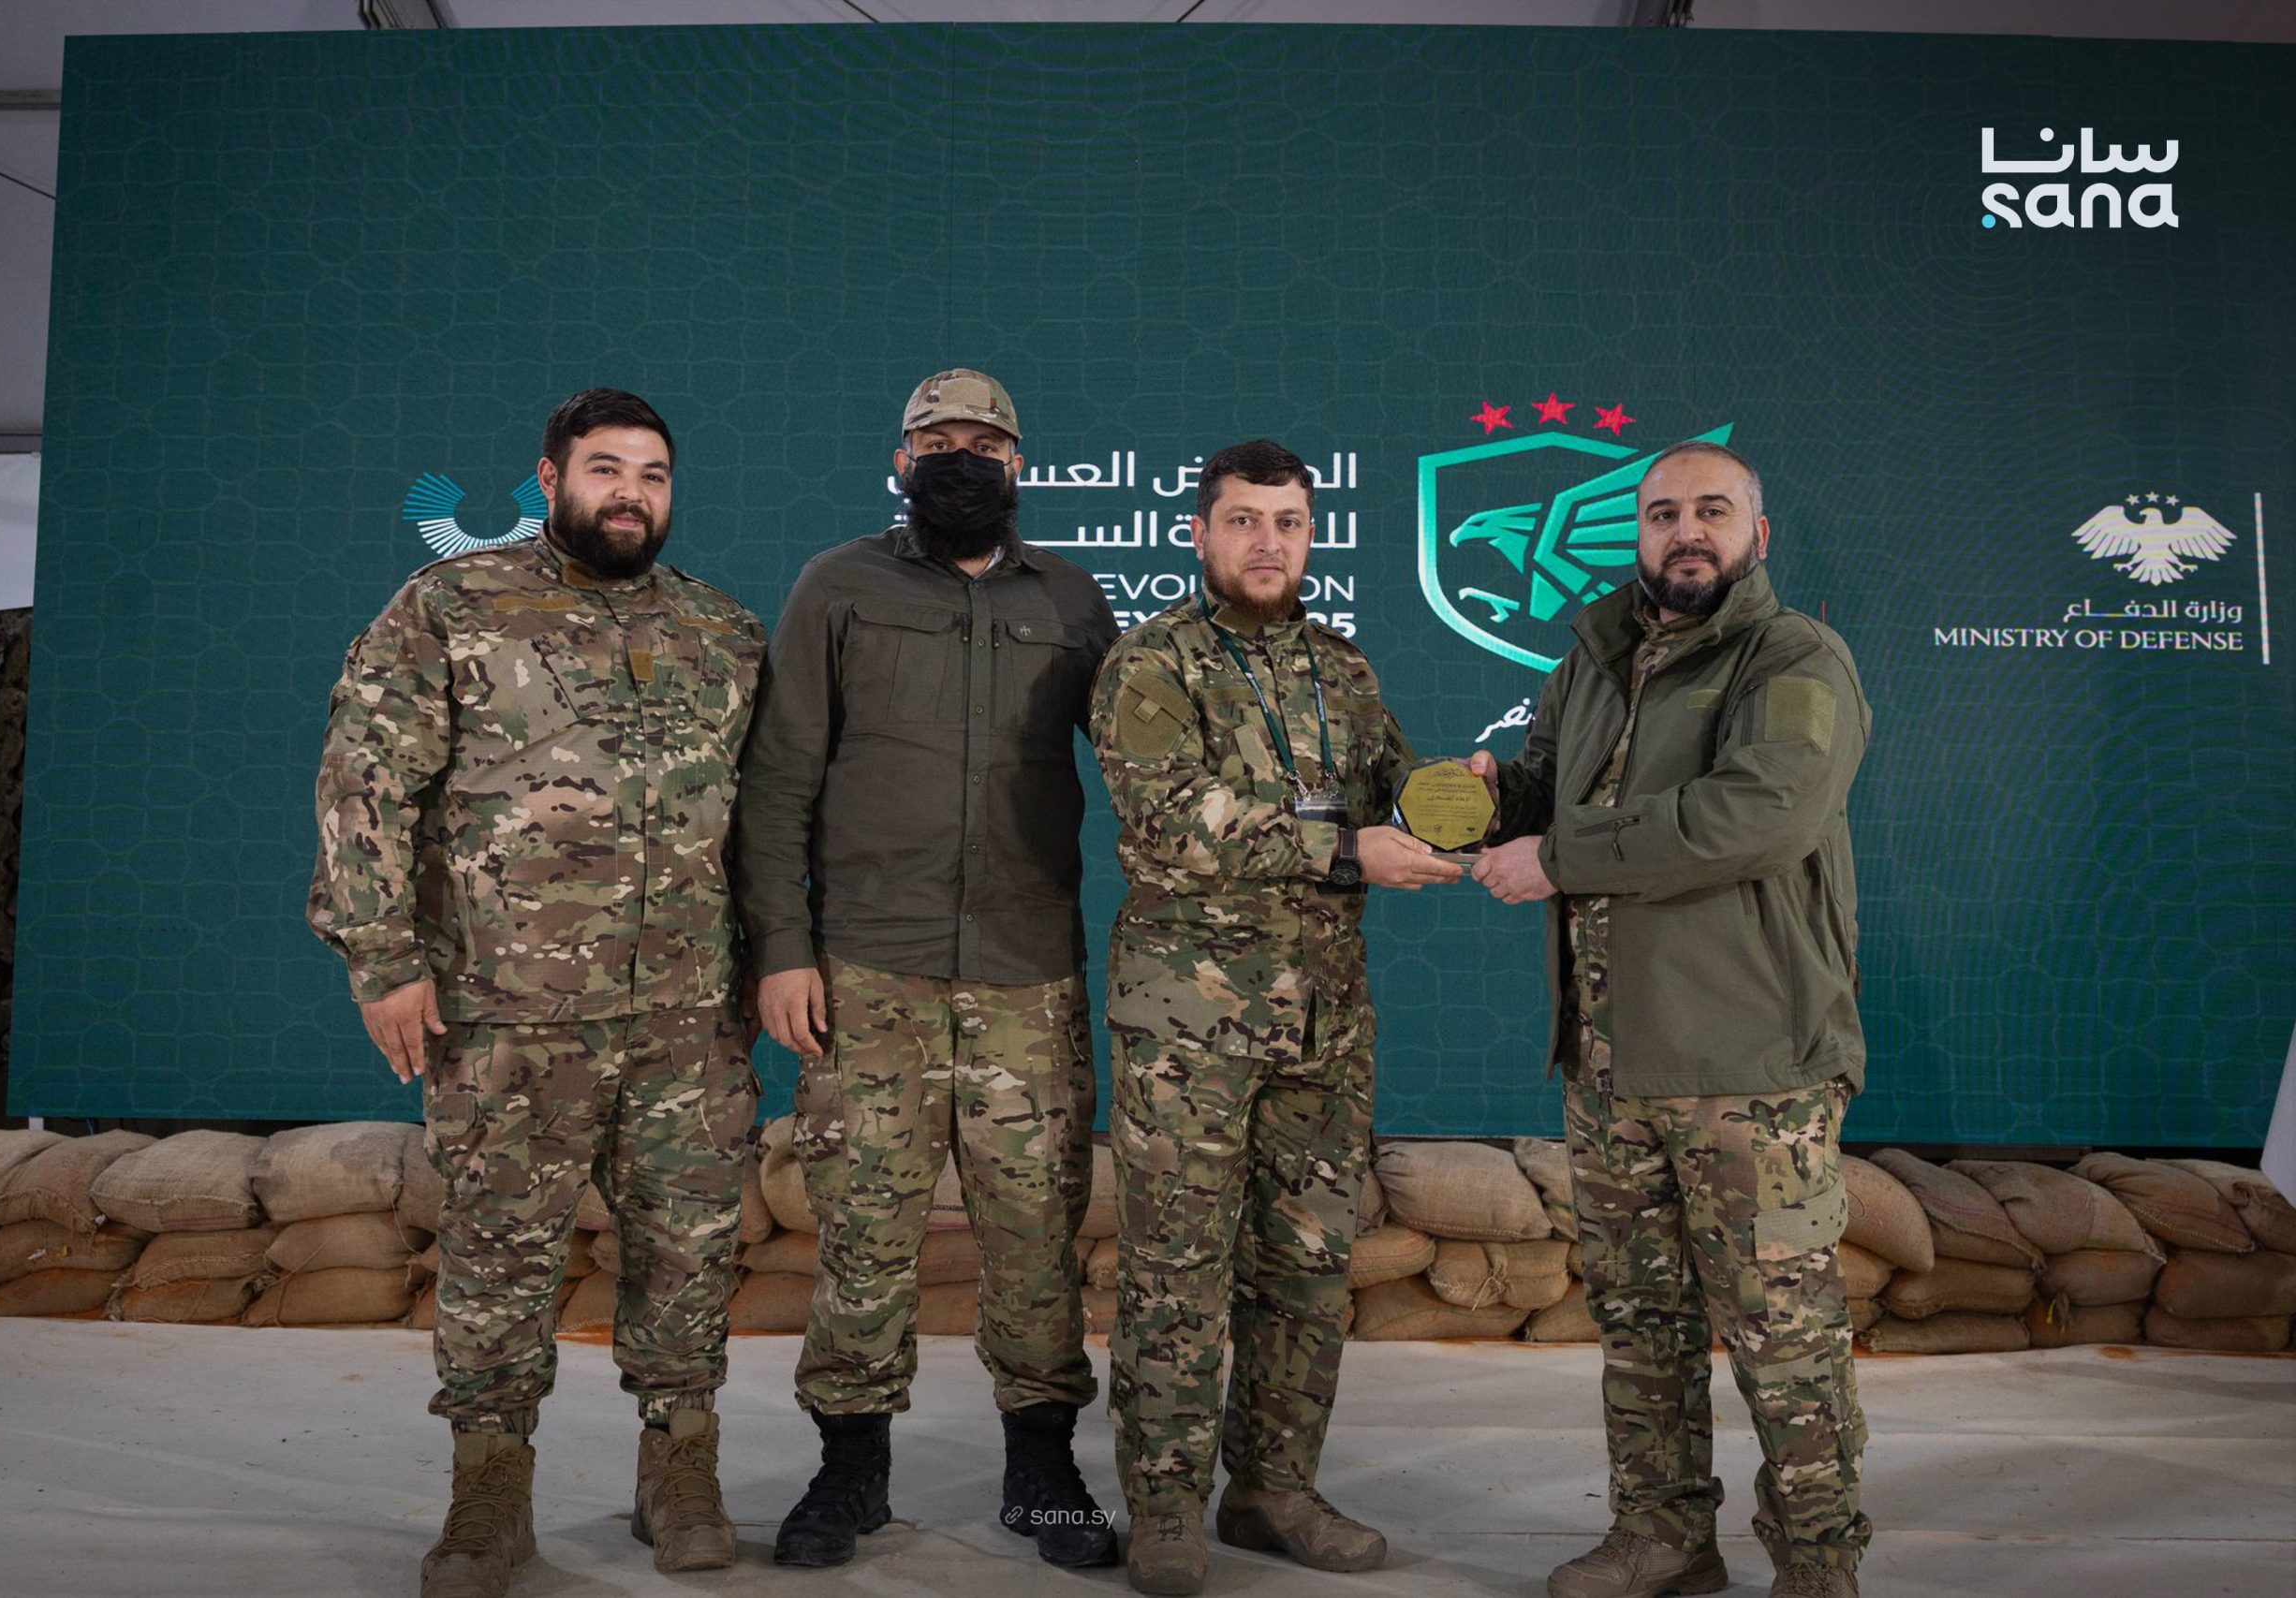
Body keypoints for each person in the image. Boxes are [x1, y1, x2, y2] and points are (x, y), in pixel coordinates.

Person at [308, 389, 766, 1598]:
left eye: (653, 474)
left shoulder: (721, 631)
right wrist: (383, 957)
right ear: (551, 478)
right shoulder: (452, 607)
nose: (631, 493)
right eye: (606, 468)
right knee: (499, 1253)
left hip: (685, 1014)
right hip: (506, 1007)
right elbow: (365, 781)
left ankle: (681, 1473)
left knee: (689, 1248)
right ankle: (489, 1493)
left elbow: (766, 819)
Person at [1468, 440, 1873, 1598]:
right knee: (1640, 1325)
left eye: (1711, 511)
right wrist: (1492, 800)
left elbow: (1761, 814)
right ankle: (1661, 1536)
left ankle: (1817, 1563)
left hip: (1749, 1066)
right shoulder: (1594, 657)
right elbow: (1551, 787)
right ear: (1635, 533)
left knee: (1784, 1337)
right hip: (1609, 1063)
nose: (1684, 532)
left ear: (1756, 533)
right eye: (1661, 514)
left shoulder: (1793, 658)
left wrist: (1559, 857)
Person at [733, 368, 1123, 1570]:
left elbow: (1148, 760)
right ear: (901, 460)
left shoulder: (1071, 599)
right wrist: (781, 950)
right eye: (937, 439)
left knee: (1036, 1233)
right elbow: (779, 779)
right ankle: (849, 1471)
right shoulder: (838, 586)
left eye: (985, 443)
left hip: (1025, 973)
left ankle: (1042, 1471)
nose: (962, 457)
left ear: (1019, 464)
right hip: (869, 971)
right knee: (862, 1230)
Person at [1087, 438, 1460, 1596]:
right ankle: (1163, 1511)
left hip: (1323, 1026)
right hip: (1187, 1033)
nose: (1267, 543)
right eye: (1244, 521)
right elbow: (1169, 821)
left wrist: (1470, 799)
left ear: (1311, 536)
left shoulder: (1340, 668)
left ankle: (1273, 1490)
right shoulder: (1150, 663)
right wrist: (1349, 850)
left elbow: (1396, 791)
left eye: (1288, 523)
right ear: (1198, 533)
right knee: (1176, 1274)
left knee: (1306, 1268)